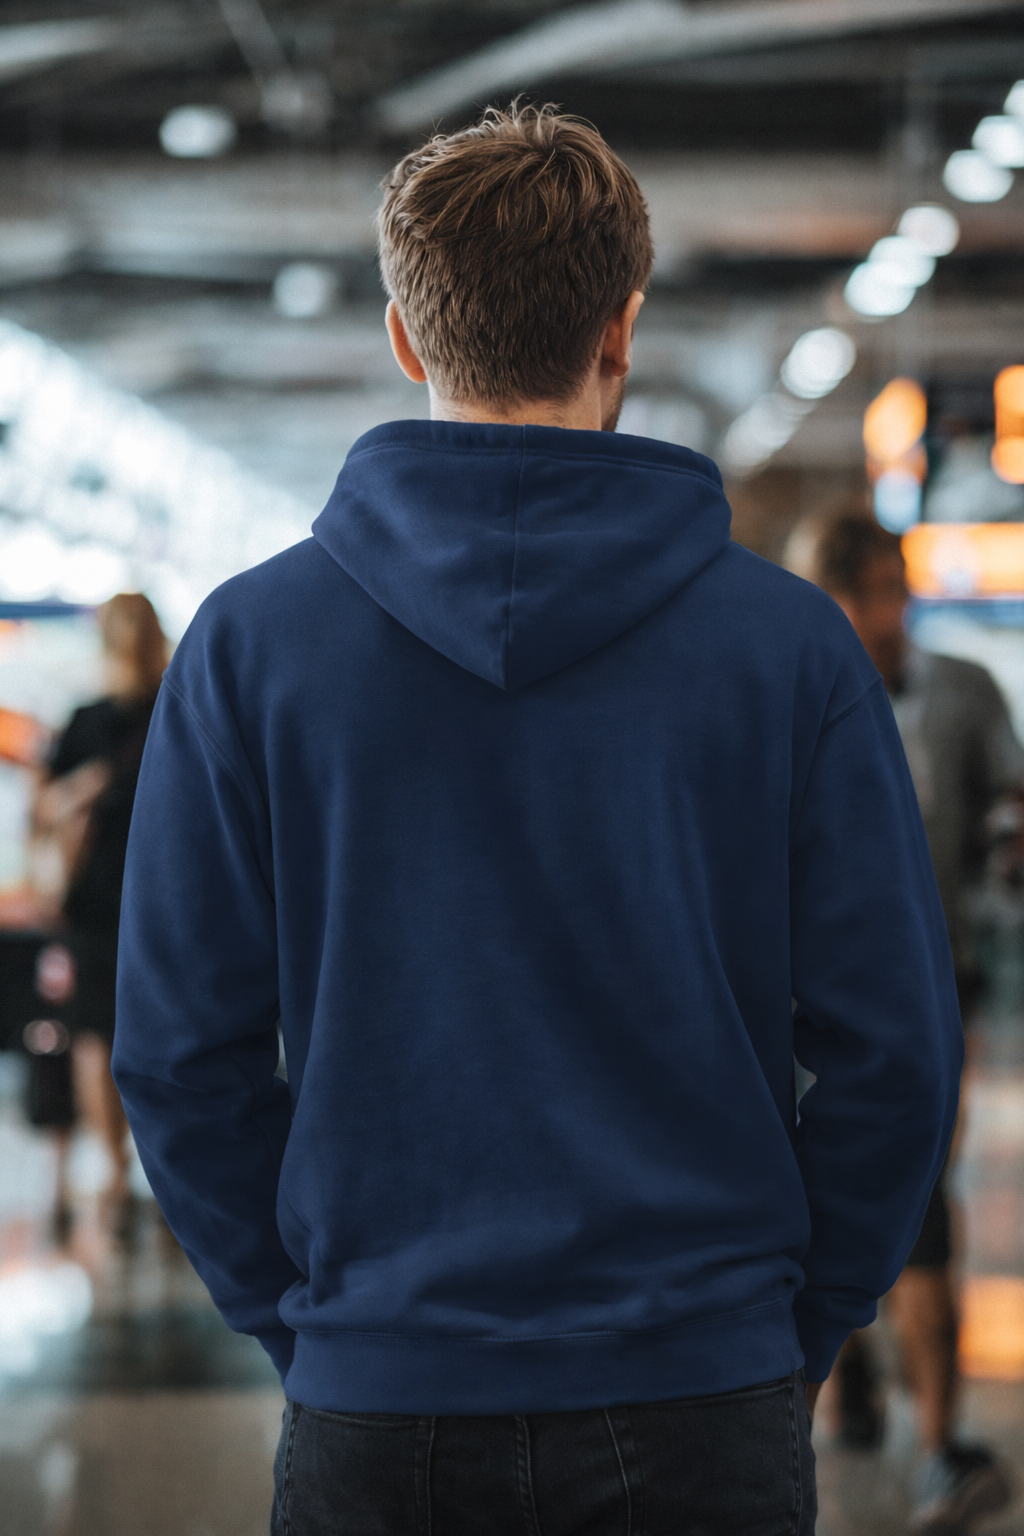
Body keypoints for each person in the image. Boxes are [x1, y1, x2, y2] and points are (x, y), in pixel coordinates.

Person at [113, 104, 962, 1536]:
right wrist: (788, 1329)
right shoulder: (792, 650)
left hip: (377, 1401)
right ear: (621, 330)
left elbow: (179, 1055)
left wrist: (322, 1325)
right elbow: (894, 1047)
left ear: (403, 336)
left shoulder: (252, 647)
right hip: (708, 1391)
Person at [784, 512, 1017, 1533]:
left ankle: (937, 1444)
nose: (858, 622)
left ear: (898, 596)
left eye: (872, 599)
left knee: (916, 1202)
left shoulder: (958, 696)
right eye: (838, 603)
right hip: (790, 1001)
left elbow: (1004, 822)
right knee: (808, 1199)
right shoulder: (772, 690)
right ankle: (850, 1380)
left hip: (933, 989)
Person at [37, 592, 166, 1215]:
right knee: (149, 1028)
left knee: (96, 1033)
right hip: (158, 895)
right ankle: (145, 1169)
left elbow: (44, 809)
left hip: (96, 898)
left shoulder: (86, 720)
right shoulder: (169, 711)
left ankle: (117, 1172)